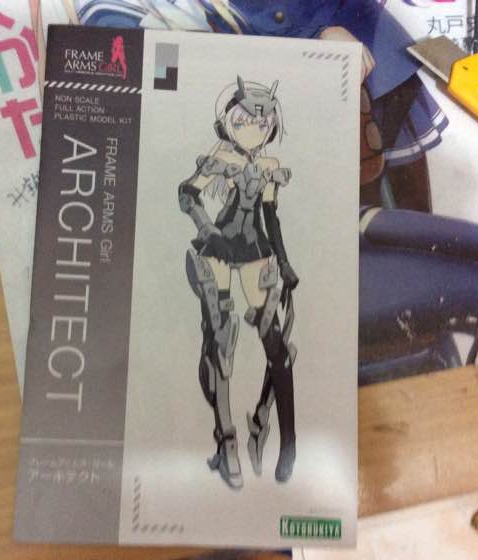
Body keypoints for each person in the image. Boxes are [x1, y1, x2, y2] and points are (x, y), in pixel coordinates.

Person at [180, 76, 298, 487]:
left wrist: (284, 262)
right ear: (229, 120)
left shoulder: (269, 167)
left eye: (262, 123)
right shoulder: (220, 156)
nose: (253, 128)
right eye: (245, 120)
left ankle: (288, 443)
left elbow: (270, 217)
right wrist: (207, 229)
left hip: (256, 252)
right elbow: (187, 193)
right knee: (221, 342)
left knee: (276, 345)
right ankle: (227, 444)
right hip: (218, 250)